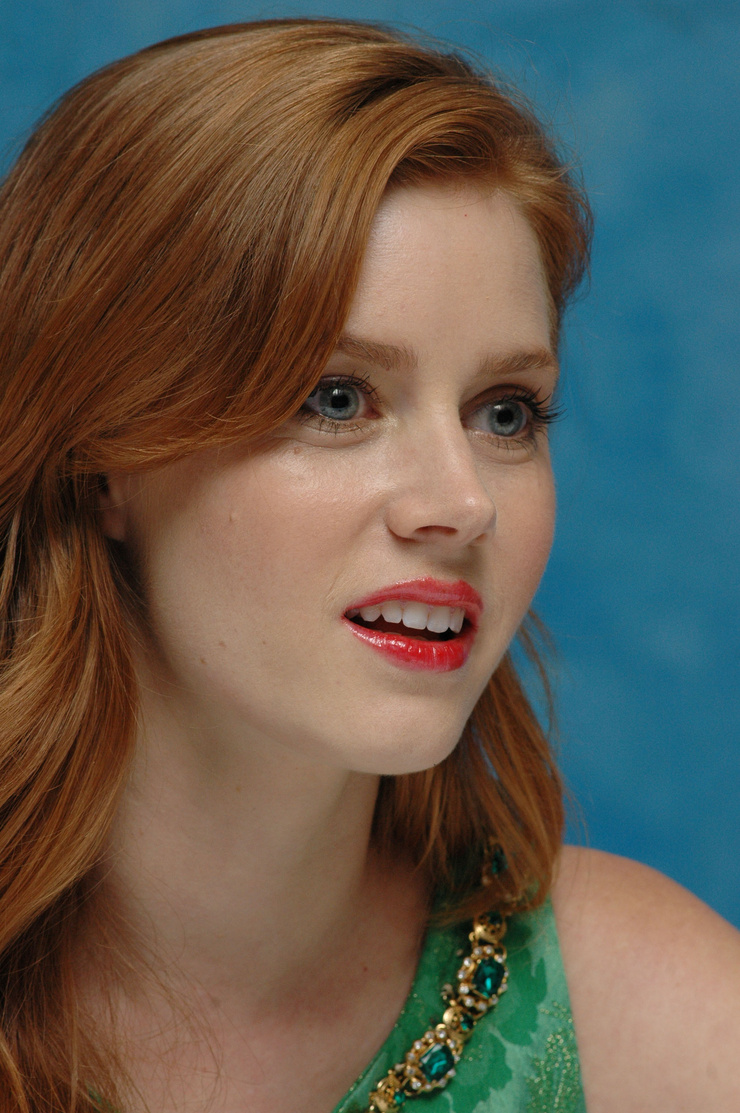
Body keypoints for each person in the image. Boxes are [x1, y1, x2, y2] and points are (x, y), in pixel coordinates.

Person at [0, 17, 737, 1113]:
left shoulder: (654, 1024)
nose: (462, 503)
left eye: (505, 411)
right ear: (106, 457)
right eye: (336, 398)